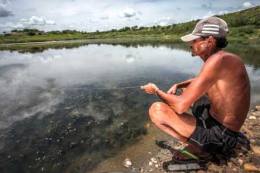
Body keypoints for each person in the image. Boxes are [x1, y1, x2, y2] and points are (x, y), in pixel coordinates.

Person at [141, 16, 251, 158]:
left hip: (221, 137)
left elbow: (180, 106)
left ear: (210, 41)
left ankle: (198, 148)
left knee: (156, 110)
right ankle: (198, 136)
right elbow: (201, 80)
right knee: (187, 91)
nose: (191, 45)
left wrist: (156, 91)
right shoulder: (225, 58)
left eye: (195, 40)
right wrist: (179, 84)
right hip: (219, 124)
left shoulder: (218, 60)